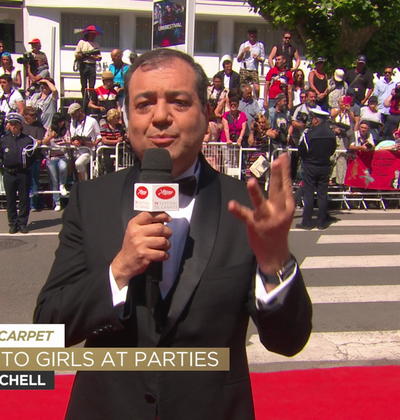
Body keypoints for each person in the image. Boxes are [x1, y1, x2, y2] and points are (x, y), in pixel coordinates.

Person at [34, 48, 312, 420]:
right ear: (128, 117)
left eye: (179, 102)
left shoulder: (246, 207)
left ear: (206, 113)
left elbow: (289, 342)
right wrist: (118, 271)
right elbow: (48, 329)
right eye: (144, 104)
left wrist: (275, 263)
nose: (161, 116)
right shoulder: (91, 200)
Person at [0, 112, 40, 234]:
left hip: (23, 173)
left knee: (24, 199)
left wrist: (25, 166)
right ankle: (12, 224)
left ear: (21, 125)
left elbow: (33, 156)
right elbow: (0, 155)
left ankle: (22, 223)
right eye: (11, 124)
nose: (14, 127)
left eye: (16, 124)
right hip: (9, 173)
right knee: (10, 199)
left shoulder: (27, 140)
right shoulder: (4, 140)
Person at [297, 107, 336, 230]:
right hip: (324, 166)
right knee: (322, 194)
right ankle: (321, 222)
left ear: (316, 120)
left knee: (309, 194)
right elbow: (332, 150)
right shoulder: (331, 135)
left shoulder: (309, 134)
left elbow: (301, 151)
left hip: (311, 166)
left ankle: (307, 222)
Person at [22, 107, 49, 212]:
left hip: (35, 157)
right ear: (25, 115)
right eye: (32, 115)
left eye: (35, 115)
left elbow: (39, 140)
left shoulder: (38, 125)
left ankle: (33, 204)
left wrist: (35, 142)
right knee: (24, 181)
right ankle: (25, 203)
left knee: (34, 180)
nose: (35, 117)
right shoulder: (21, 125)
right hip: (24, 157)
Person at [67, 102, 100, 181]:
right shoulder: (73, 123)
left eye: (73, 113)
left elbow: (99, 136)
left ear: (80, 111)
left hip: (88, 150)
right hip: (76, 150)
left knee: (78, 163)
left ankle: (83, 183)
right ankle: (83, 183)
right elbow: (72, 137)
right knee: (79, 169)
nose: (72, 116)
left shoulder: (92, 121)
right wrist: (74, 142)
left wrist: (95, 143)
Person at [46, 112, 70, 211]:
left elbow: (68, 141)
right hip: (52, 157)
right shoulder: (49, 130)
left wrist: (62, 142)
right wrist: (50, 137)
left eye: (63, 121)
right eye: (60, 121)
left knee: (63, 167)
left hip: (63, 155)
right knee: (54, 180)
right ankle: (57, 202)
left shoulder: (66, 130)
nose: (62, 123)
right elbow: (44, 141)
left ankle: (62, 184)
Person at [75, 25, 102, 111]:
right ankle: (85, 100)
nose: (93, 36)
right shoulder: (82, 42)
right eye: (92, 34)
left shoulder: (96, 44)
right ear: (88, 34)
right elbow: (76, 54)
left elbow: (99, 57)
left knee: (92, 85)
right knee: (83, 85)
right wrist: (83, 55)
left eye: (94, 34)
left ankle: (91, 101)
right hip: (83, 65)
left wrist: (90, 56)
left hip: (92, 65)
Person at [236, 28, 266, 98]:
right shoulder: (244, 45)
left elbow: (263, 59)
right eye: (250, 34)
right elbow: (238, 59)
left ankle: (256, 100)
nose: (251, 35)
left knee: (257, 88)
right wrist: (243, 52)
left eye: (253, 34)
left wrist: (258, 58)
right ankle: (243, 100)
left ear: (256, 35)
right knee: (243, 88)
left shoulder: (260, 45)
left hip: (254, 69)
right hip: (244, 68)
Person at [99, 108, 126, 175]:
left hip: (119, 150)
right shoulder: (104, 127)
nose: (119, 119)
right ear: (112, 118)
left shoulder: (120, 127)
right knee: (108, 166)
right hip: (107, 150)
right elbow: (104, 140)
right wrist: (116, 141)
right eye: (117, 118)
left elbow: (122, 137)